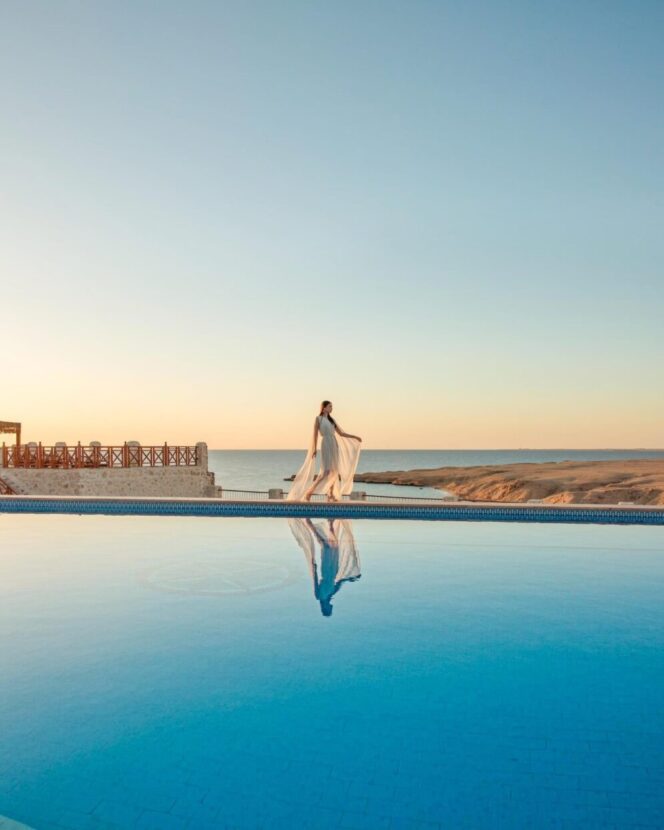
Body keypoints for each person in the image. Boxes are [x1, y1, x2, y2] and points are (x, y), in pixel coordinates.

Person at [286, 400, 362, 502]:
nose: (331, 408)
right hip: (325, 443)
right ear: (324, 408)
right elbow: (315, 435)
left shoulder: (332, 420)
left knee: (334, 471)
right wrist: (314, 448)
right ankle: (309, 492)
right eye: (330, 406)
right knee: (326, 471)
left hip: (334, 444)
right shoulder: (318, 419)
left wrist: (355, 437)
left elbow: (341, 433)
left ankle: (331, 494)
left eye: (332, 406)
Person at [288, 518, 362, 617]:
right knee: (335, 545)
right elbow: (340, 582)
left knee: (325, 546)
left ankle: (310, 524)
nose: (331, 607)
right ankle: (330, 523)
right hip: (334, 571)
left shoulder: (318, 596)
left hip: (326, 571)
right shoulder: (331, 593)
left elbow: (315, 581)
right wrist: (352, 577)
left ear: (325, 608)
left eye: (329, 608)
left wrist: (314, 568)